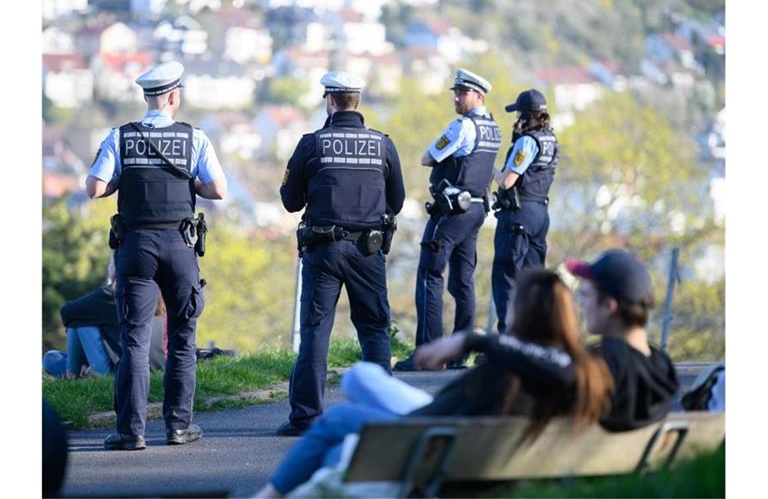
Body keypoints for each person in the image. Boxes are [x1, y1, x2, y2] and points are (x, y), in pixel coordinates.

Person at [255, 269, 614, 497]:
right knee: (344, 432)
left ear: (521, 313)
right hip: (508, 467)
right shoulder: (584, 374)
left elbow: (424, 423)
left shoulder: (499, 376)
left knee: (338, 426)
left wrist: (478, 341)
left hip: (447, 461)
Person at [86, 60, 227, 450]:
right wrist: (191, 181)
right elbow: (218, 189)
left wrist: (122, 179)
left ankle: (130, 433)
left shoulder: (121, 137)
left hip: (135, 247)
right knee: (182, 336)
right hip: (180, 247)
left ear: (148, 97)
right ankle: (179, 427)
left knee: (134, 338)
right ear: (172, 96)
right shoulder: (193, 137)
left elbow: (95, 188)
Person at [278, 71, 406, 436]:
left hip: (323, 249)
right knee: (374, 330)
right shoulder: (383, 144)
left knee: (316, 332)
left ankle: (305, 417)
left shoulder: (312, 144)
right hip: (369, 250)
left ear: (329, 100)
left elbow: (290, 201)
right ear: (358, 101)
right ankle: (383, 414)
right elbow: (396, 201)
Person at [395, 69, 502, 371]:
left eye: (462, 93)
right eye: (455, 92)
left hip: (453, 211)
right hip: (477, 209)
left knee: (430, 276)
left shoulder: (463, 127)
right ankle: (459, 352)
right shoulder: (493, 128)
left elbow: (427, 158)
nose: (456, 97)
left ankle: (427, 355)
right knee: (462, 282)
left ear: (478, 95)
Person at [566, 249, 679, 430]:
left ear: (609, 306)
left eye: (586, 295)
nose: (582, 304)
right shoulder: (663, 368)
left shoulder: (598, 365)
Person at [491, 89, 559, 334]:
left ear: (526, 115)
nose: (516, 119)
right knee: (533, 280)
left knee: (507, 276)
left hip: (519, 214)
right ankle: (535, 336)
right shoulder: (550, 139)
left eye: (518, 113)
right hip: (540, 213)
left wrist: (491, 169)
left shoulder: (527, 142)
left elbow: (507, 181)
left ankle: (508, 338)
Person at [43, 253, 167, 378]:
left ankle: (72, 374)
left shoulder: (114, 294)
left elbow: (67, 311)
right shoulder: (161, 293)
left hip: (119, 368)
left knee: (75, 325)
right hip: (159, 365)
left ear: (114, 267)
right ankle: (81, 372)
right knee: (76, 326)